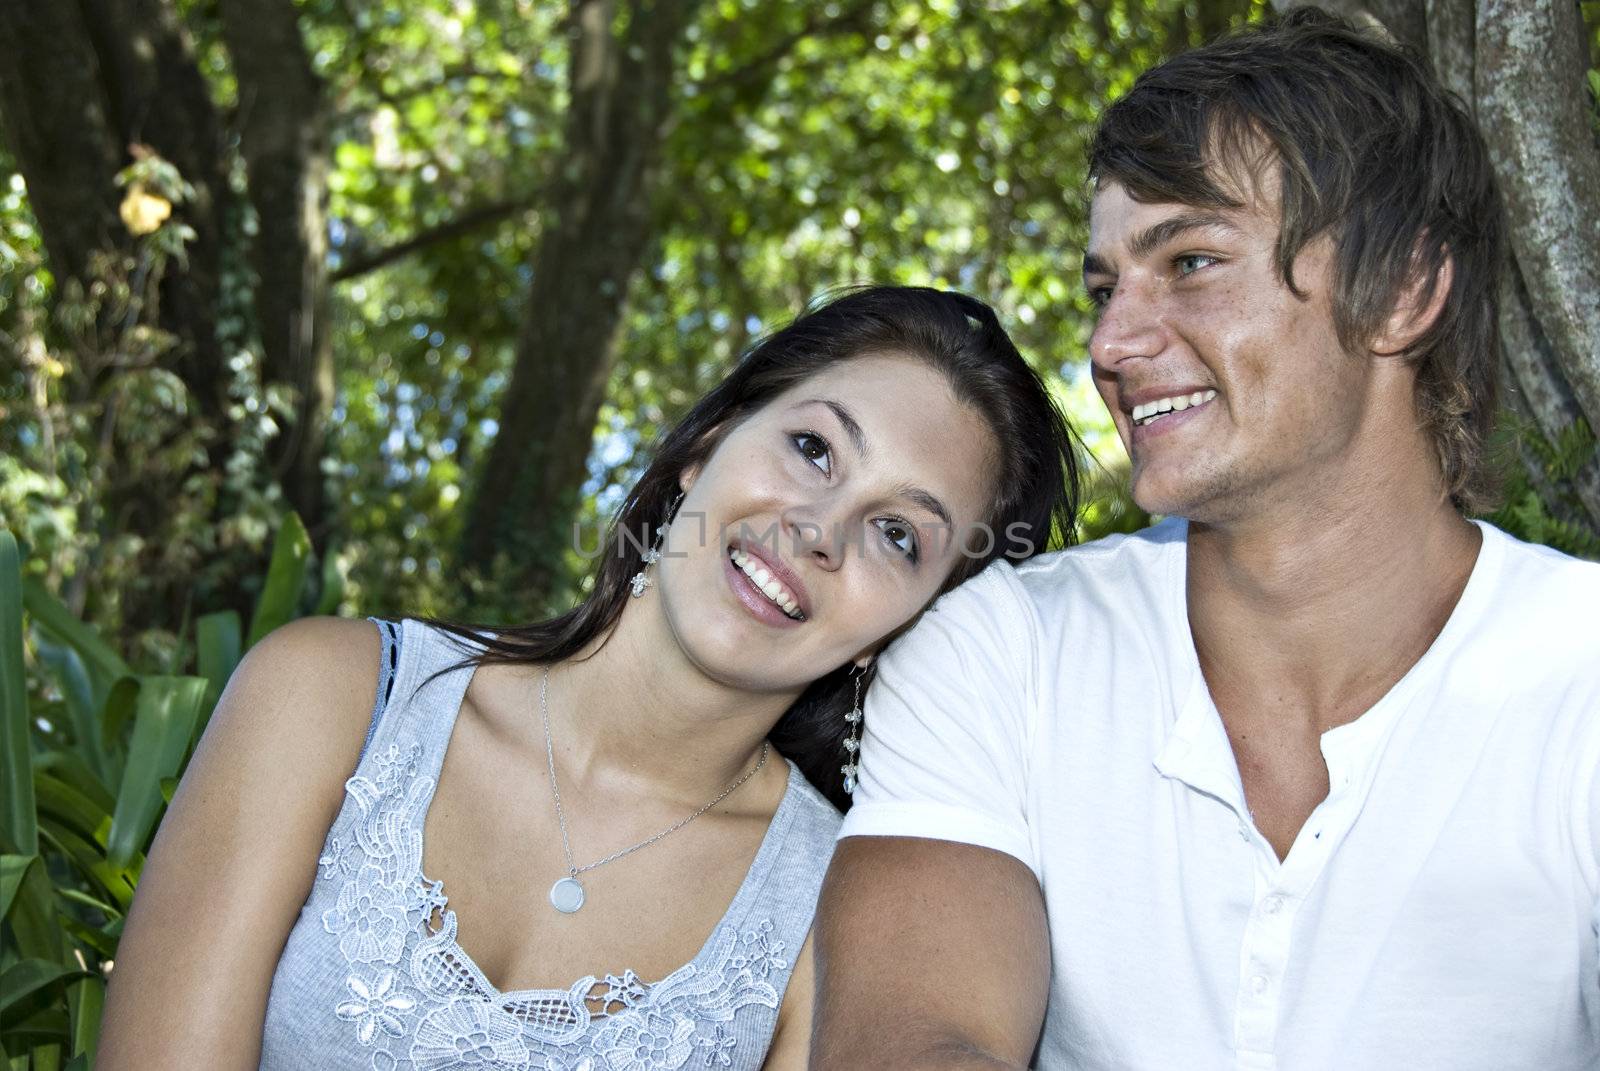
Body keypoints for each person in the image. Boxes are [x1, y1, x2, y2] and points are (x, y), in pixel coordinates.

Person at [814, 10, 1600, 1070]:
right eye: (1104, 289)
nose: (1108, 344)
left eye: (1188, 261)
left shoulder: (1577, 671)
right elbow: (907, 1042)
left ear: (1406, 290)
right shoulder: (1004, 652)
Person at [95, 286, 1082, 1069]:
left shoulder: (835, 916)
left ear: (906, 626)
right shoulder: (333, 697)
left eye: (897, 534)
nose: (818, 532)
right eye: (813, 447)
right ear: (705, 448)